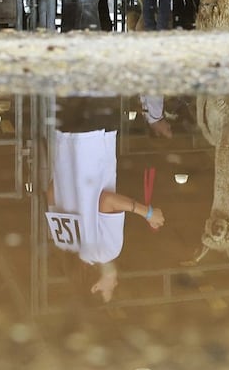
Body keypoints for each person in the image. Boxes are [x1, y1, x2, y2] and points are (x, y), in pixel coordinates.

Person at [45, 97, 165, 304]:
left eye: (110, 290)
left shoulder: (105, 252)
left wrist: (147, 213)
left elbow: (106, 201)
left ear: (95, 287)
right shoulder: (63, 243)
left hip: (94, 141)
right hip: (65, 140)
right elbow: (50, 191)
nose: (116, 284)